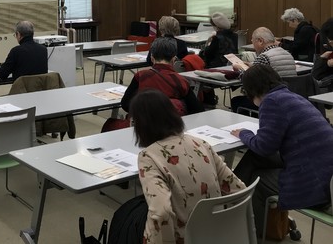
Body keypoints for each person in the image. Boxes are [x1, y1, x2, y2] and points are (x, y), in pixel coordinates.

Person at [113, 90, 246, 244]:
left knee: (126, 219)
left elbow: (161, 211)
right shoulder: (200, 144)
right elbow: (238, 188)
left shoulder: (149, 157)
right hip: (217, 231)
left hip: (185, 237)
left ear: (140, 124)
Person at [231, 64, 333, 231]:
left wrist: (244, 133)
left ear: (251, 90)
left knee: (256, 178)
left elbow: (264, 146)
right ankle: (231, 198)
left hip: (313, 182)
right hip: (326, 173)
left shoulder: (271, 102)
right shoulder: (292, 96)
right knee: (254, 158)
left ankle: (248, 229)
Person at [122, 37, 202, 116]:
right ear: (174, 59)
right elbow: (196, 109)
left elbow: (125, 104)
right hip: (172, 125)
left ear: (152, 58)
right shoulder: (181, 81)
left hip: (145, 125)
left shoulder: (141, 76)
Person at [312, 17, 333, 91]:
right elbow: (315, 75)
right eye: (329, 41)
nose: (330, 44)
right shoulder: (329, 53)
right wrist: (322, 59)